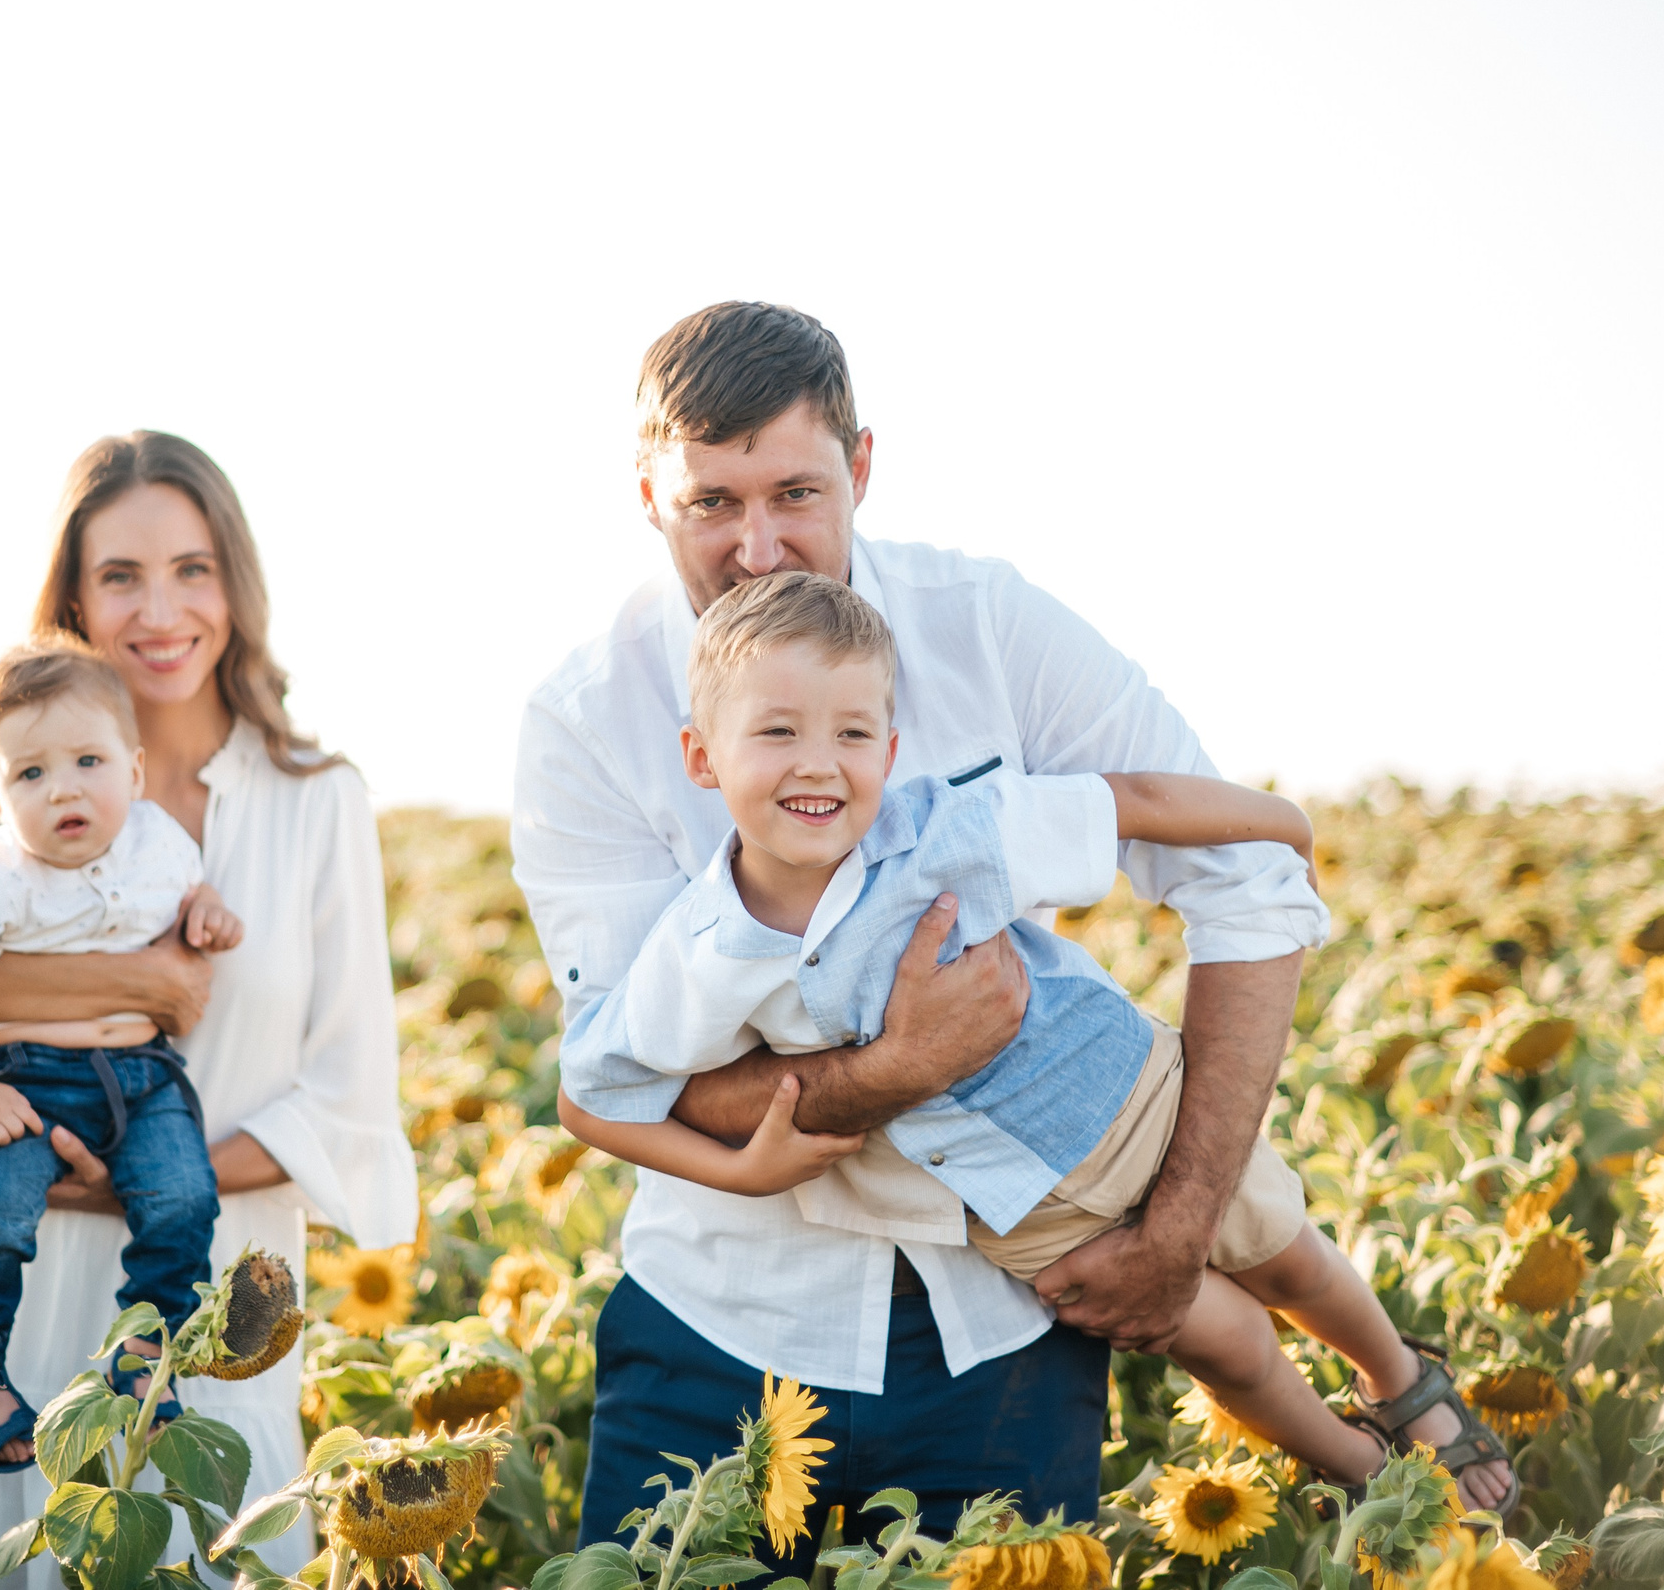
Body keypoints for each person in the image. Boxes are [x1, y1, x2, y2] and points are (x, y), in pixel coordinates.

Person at [510, 301, 1330, 1566]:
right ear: (648, 498)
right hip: (717, 1325)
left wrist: (1175, 1230)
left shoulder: (984, 625)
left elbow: (1245, 880)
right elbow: (628, 1070)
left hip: (1007, 1323)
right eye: (710, 503)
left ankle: (1396, 1408)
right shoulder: (585, 718)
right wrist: (902, 1063)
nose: (757, 547)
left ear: (861, 465)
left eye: (795, 492)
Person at [553, 572, 1517, 1515]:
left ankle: (1399, 1380)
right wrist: (742, 1171)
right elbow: (593, 1093)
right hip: (1011, 1206)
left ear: (891, 749)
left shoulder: (941, 832)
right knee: (1224, 1341)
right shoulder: (701, 952)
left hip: (1134, 1104)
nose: (819, 763)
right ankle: (1365, 1470)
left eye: (851, 733)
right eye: (778, 731)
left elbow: (1125, 799)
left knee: (1287, 1259)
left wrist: (1282, 822)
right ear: (701, 756)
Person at [0, 431, 416, 1585]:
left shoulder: (316, 799)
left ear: (235, 583)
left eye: (191, 568)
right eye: (121, 574)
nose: (160, 611)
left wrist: (140, 1174)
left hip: (196, 1293)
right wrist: (140, 986)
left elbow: (347, 1098)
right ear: (74, 596)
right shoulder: (11, 762)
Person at [0, 638, 244, 1471]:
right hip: (20, 1077)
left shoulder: (160, 840)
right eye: (31, 773)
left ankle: (145, 1349)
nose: (64, 788)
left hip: (143, 1078)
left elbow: (187, 892)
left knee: (183, 1198)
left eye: (88, 761)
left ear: (134, 769)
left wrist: (207, 910)